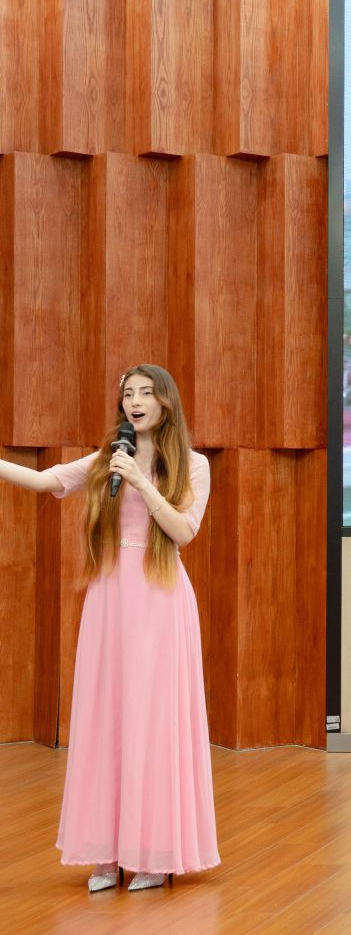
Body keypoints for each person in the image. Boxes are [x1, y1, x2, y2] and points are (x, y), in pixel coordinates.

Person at [0, 364, 218, 892]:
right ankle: (105, 850)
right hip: (109, 598)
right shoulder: (108, 457)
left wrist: (142, 480)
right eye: (127, 394)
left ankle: (153, 852)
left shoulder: (193, 464)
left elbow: (184, 531)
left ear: (166, 402)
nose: (134, 402)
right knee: (106, 716)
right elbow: (46, 480)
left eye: (145, 393)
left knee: (152, 720)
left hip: (159, 597)